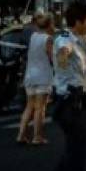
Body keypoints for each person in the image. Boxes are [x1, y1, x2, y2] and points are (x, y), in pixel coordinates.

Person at [34, 1, 86, 171]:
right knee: (77, 159)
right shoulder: (65, 39)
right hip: (70, 106)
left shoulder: (78, 38)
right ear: (79, 21)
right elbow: (63, 51)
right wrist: (61, 58)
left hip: (77, 103)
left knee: (72, 156)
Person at [18, 14, 55, 145]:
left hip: (30, 75)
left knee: (29, 106)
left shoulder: (33, 37)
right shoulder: (48, 39)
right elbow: (51, 58)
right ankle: (37, 136)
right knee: (40, 108)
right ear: (49, 25)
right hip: (42, 75)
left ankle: (21, 135)